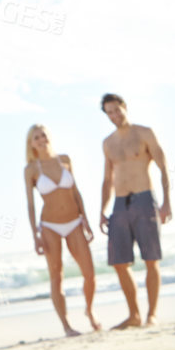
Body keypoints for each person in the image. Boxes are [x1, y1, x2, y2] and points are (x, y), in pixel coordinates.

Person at [97, 92, 171, 328]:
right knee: (119, 262)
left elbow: (163, 166)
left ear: (125, 107)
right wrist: (102, 209)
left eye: (117, 110)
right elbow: (107, 179)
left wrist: (167, 201)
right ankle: (134, 315)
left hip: (144, 199)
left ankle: (152, 314)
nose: (114, 115)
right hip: (120, 204)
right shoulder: (108, 143)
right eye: (109, 112)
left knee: (151, 259)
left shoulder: (144, 133)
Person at [24, 123, 101, 336]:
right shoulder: (31, 169)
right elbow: (30, 204)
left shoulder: (64, 160)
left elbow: (76, 192)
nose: (41, 139)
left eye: (44, 135)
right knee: (56, 276)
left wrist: (85, 219)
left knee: (90, 274)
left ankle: (90, 310)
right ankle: (67, 326)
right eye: (36, 137)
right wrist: (35, 235)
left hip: (74, 222)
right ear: (31, 144)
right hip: (49, 226)